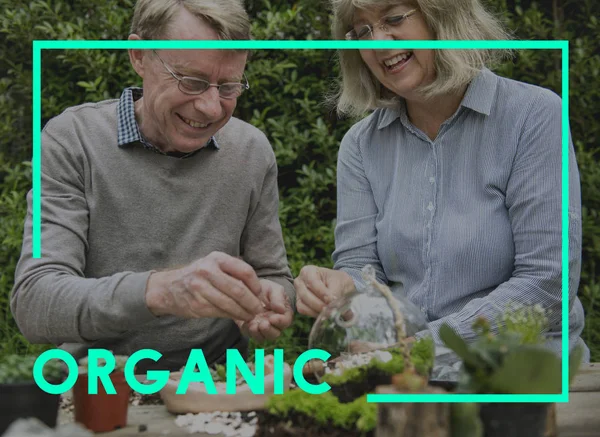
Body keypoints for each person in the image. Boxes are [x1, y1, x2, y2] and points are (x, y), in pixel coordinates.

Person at [295, 0, 589, 361]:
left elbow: (546, 286)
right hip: (408, 377)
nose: (377, 43)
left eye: (393, 18)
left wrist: (422, 346)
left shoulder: (533, 117)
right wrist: (344, 287)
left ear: (443, 16)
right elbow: (362, 270)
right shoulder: (360, 145)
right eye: (362, 31)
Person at [11, 0, 295, 372]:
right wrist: (160, 292)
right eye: (190, 81)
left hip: (217, 381)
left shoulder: (251, 150)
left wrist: (269, 301)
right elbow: (35, 301)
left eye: (228, 87)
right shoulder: (72, 140)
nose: (211, 108)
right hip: (102, 384)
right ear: (139, 55)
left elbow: (274, 276)